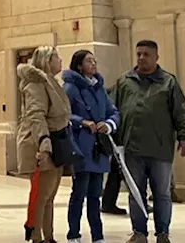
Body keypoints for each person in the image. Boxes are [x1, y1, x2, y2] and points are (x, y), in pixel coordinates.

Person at [113, 40, 185, 243]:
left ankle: (162, 233)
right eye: (138, 54)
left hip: (160, 148)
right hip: (132, 148)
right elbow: (113, 111)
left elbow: (181, 112)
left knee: (162, 194)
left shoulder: (168, 82)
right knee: (135, 193)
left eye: (146, 54)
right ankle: (139, 232)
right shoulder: (124, 81)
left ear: (156, 57)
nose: (141, 58)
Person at [62, 49, 119, 243]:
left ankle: (98, 236)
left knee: (96, 195)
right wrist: (82, 122)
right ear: (79, 65)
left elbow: (113, 112)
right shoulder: (70, 88)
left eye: (94, 61)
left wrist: (108, 124)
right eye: (89, 61)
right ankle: (74, 234)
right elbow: (63, 114)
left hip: (99, 149)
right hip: (81, 147)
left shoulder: (99, 88)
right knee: (79, 192)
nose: (93, 64)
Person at [16, 45, 70, 243]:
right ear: (47, 61)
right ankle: (38, 237)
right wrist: (44, 145)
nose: (60, 61)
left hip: (55, 140)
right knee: (42, 195)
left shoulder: (51, 82)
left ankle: (49, 236)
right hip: (41, 143)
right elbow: (36, 116)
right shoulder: (36, 84)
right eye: (57, 57)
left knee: (50, 196)